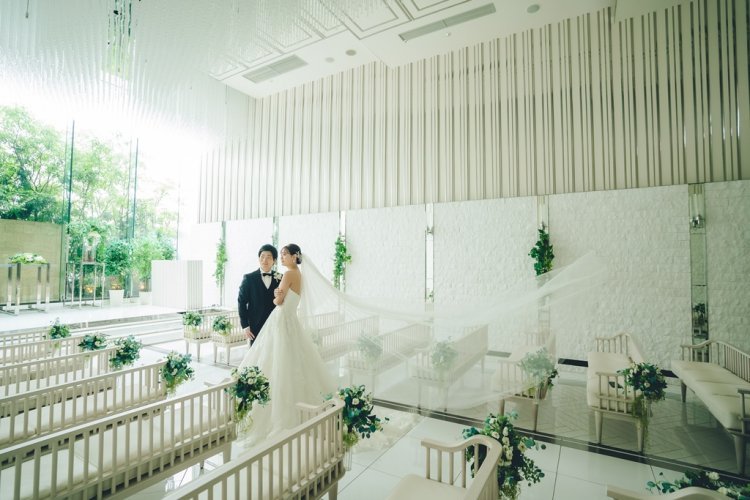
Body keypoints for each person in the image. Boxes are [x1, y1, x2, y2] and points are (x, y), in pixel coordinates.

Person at [237, 243, 336, 443]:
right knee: (290, 362)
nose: (281, 258)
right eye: (280, 255)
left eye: (284, 254)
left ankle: (276, 411)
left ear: (293, 257)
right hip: (289, 321)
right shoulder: (297, 274)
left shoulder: (288, 274)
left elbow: (278, 302)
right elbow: (243, 301)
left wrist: (277, 297)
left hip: (281, 321)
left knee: (274, 362)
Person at [237, 244, 280, 345]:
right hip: (255, 326)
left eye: (268, 257)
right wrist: (245, 326)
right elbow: (241, 302)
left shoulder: (280, 277)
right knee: (256, 353)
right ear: (259, 258)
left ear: (274, 260)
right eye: (262, 256)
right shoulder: (249, 278)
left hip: (275, 323)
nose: (265, 260)